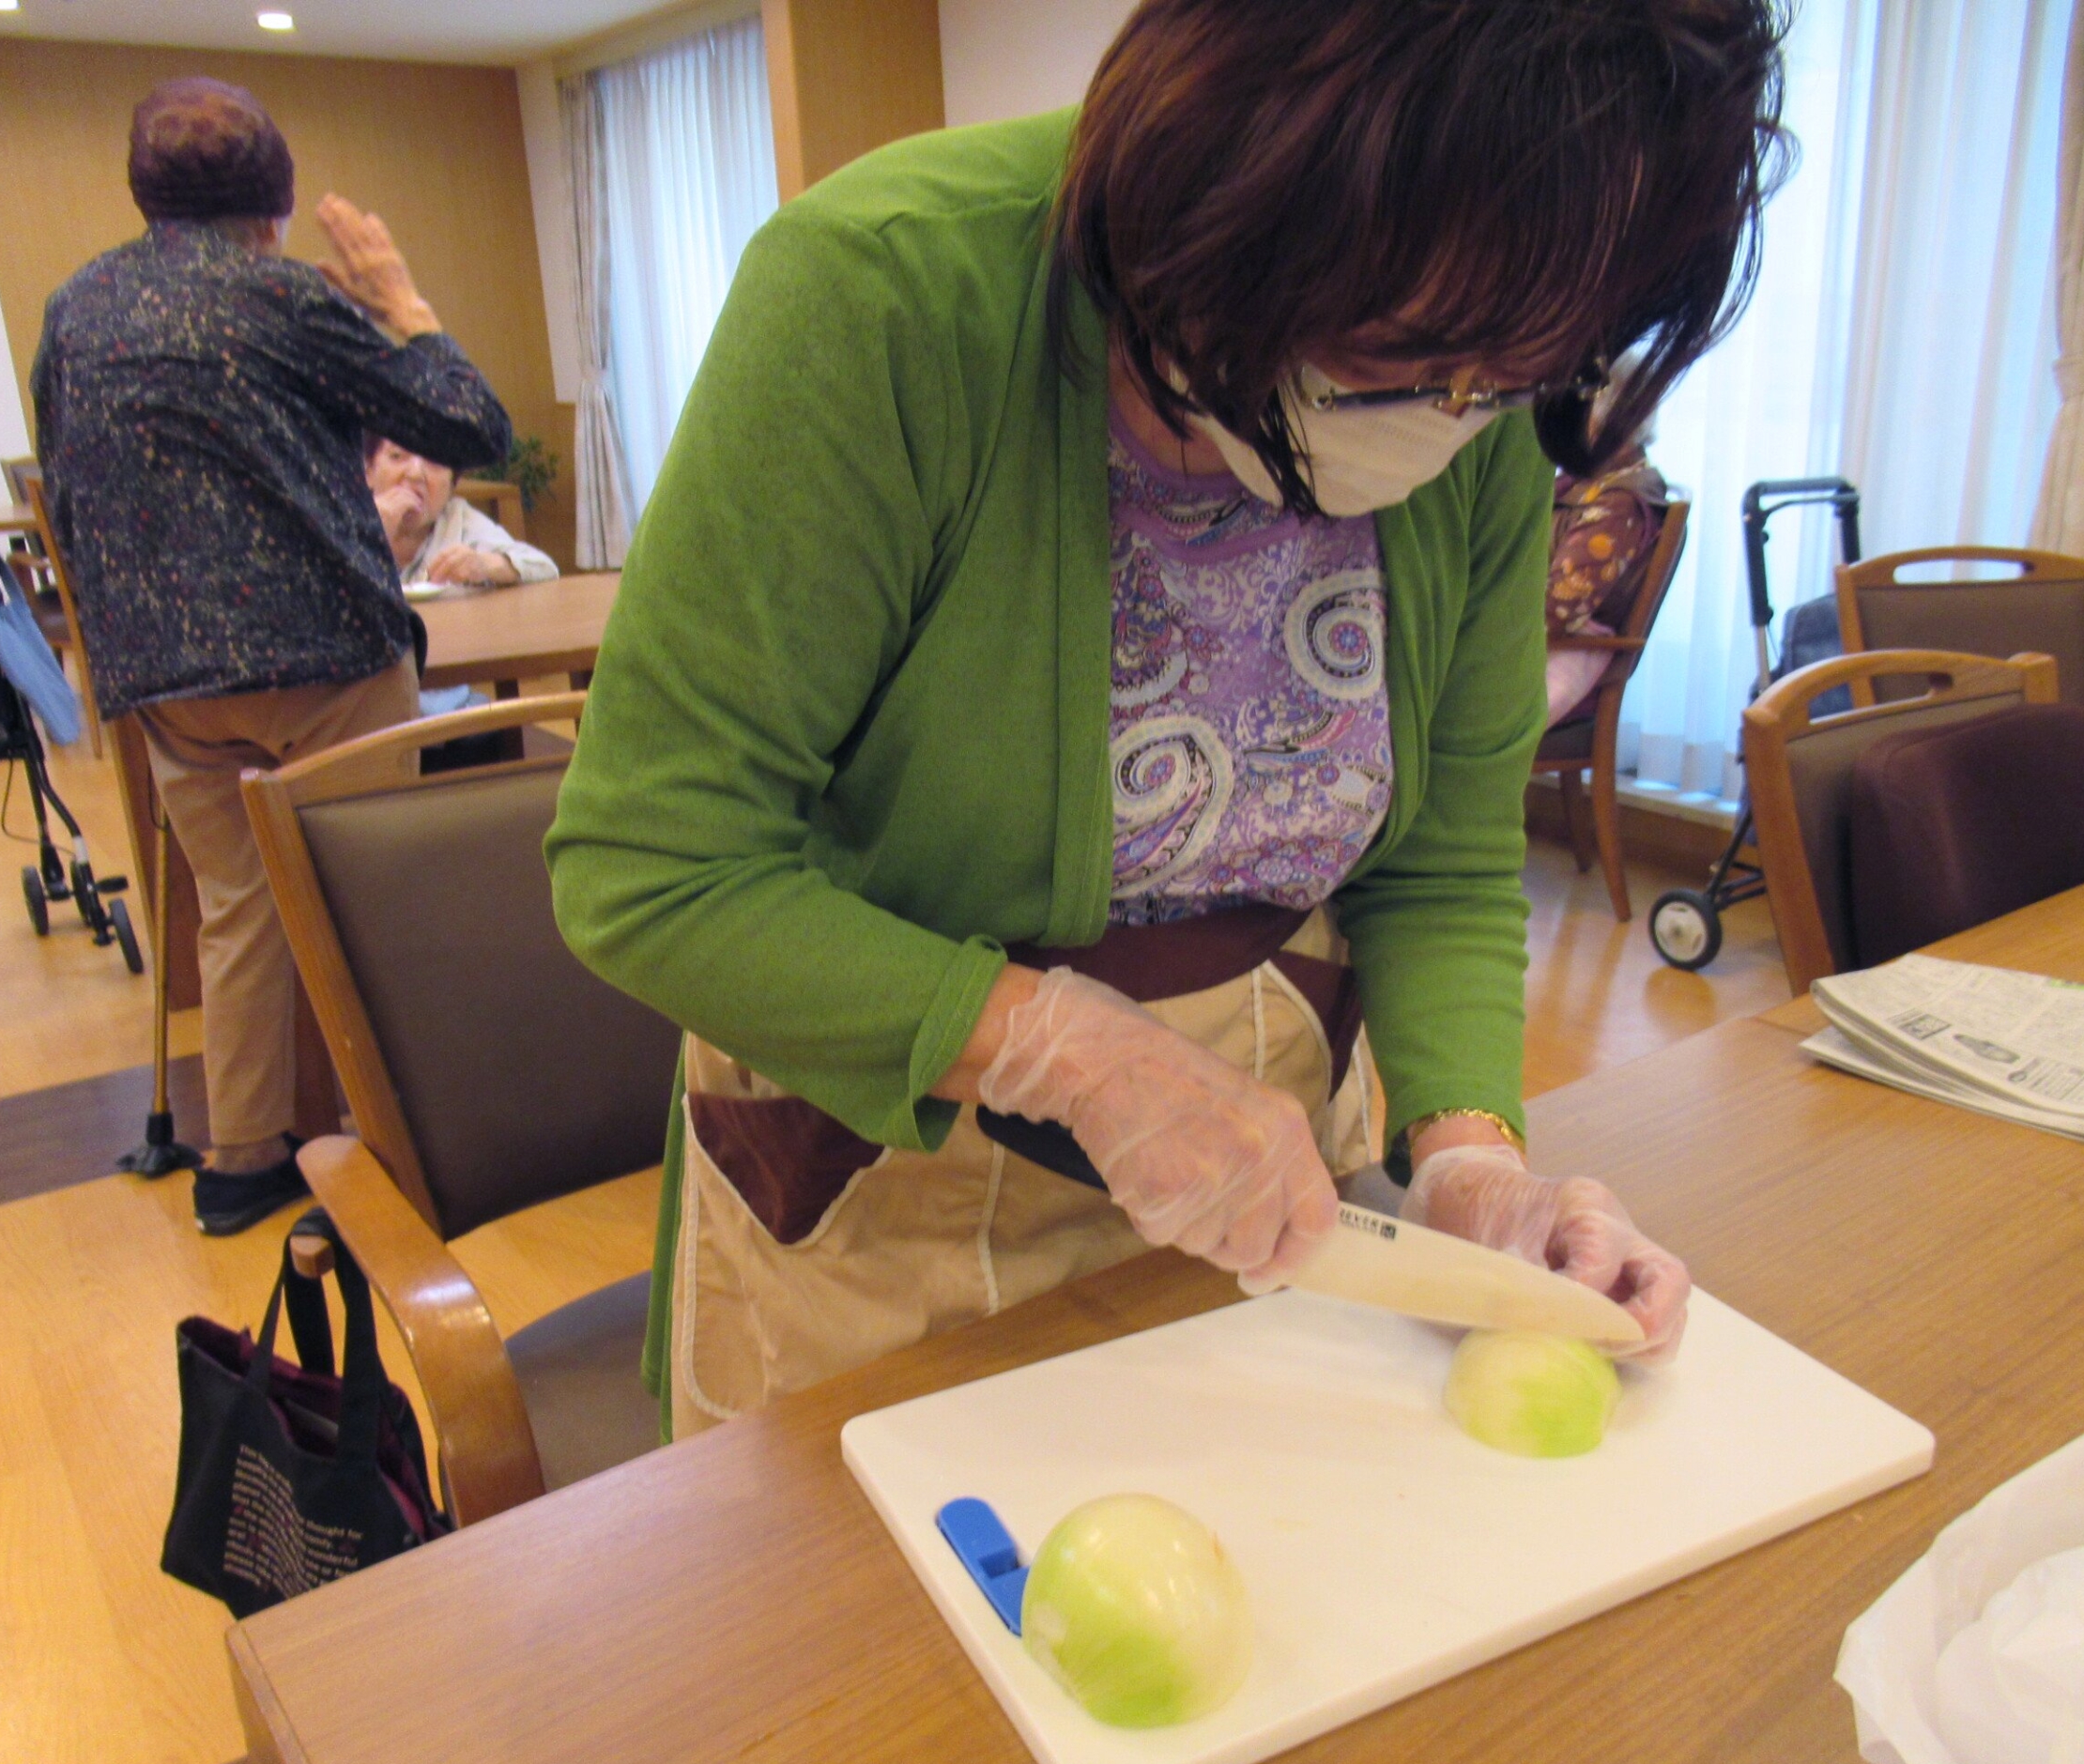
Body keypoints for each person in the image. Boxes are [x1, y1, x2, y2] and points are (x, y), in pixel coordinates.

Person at [546, 0, 1785, 1436]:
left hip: (1270, 1175)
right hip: (894, 1165)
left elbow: (1438, 859)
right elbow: (653, 864)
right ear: (1235, 203)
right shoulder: (887, 297)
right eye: (1402, 357)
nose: (1453, 420)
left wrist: (1470, 1162)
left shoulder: (1486, 402)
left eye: (1508, 378)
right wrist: (1066, 1052)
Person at [32, 78, 512, 1234]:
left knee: (239, 908)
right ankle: (391, 1148)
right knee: (369, 896)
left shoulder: (77, 307)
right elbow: (472, 427)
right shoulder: (282, 294)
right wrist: (398, 296)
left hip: (168, 679)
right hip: (324, 654)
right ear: (282, 198)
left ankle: (244, 1160)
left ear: (143, 193)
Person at [1543, 399, 1671, 724]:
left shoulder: (1619, 504)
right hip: (1540, 646)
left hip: (1561, 656)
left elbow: (1557, 609)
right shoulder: (1583, 482)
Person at [366, 437, 558, 595]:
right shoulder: (344, 517)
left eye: (435, 461)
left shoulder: (458, 519)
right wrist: (367, 533)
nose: (416, 474)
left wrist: (485, 565)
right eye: (397, 456)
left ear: (452, 484)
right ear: (368, 471)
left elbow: (545, 569)